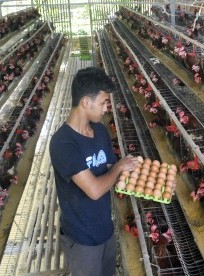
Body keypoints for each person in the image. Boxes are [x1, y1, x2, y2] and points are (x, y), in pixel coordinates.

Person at [49, 67, 139, 275]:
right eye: (103, 102)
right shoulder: (63, 143)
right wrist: (119, 167)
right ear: (85, 103)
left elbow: (110, 170)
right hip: (82, 240)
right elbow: (95, 190)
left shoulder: (99, 130)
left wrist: (142, 178)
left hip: (106, 230)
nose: (107, 108)